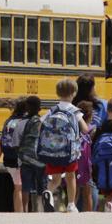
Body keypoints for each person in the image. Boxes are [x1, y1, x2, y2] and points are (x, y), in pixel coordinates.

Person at [39, 78, 92, 213]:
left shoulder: (52, 110)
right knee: (70, 177)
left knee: (55, 179)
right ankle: (71, 204)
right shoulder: (75, 111)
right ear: (74, 93)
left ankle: (48, 192)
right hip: (70, 152)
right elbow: (85, 129)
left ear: (58, 93)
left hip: (53, 150)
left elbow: (40, 124)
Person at [0, 98, 28, 212]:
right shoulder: (25, 122)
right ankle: (20, 213)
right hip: (19, 159)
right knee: (19, 188)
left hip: (8, 159)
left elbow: (1, 141)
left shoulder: (9, 121)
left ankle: (20, 211)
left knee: (17, 186)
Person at [16, 95, 45, 212]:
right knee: (41, 185)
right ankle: (40, 208)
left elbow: (16, 142)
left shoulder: (21, 123)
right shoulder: (43, 121)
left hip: (26, 158)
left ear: (26, 107)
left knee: (26, 186)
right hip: (40, 159)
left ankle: (25, 210)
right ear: (39, 108)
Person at [75, 100, 96, 212]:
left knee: (75, 189)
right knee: (87, 191)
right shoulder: (92, 129)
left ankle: (71, 208)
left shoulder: (75, 128)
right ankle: (89, 213)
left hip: (75, 161)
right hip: (87, 164)